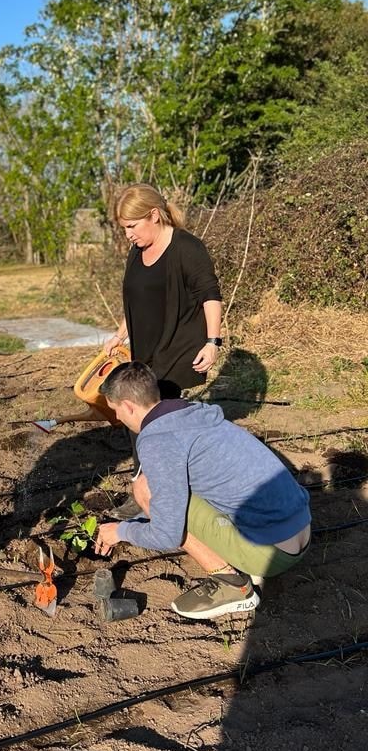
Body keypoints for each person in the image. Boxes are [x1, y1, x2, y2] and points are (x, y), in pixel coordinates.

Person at [94, 362, 311, 620]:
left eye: (116, 409)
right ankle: (243, 555)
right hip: (301, 529)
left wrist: (120, 531)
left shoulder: (157, 440)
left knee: (145, 489)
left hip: (271, 553)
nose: (117, 418)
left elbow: (167, 535)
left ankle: (233, 586)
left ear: (128, 405)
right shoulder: (192, 413)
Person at [103, 183, 223, 518]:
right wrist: (120, 334)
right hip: (144, 347)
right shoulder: (138, 250)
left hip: (178, 345)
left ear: (153, 215)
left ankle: (156, 495)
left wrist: (213, 342)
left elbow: (210, 295)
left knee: (155, 419)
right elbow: (135, 297)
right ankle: (148, 487)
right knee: (136, 419)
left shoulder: (187, 248)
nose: (128, 235)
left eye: (132, 226)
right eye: (124, 228)